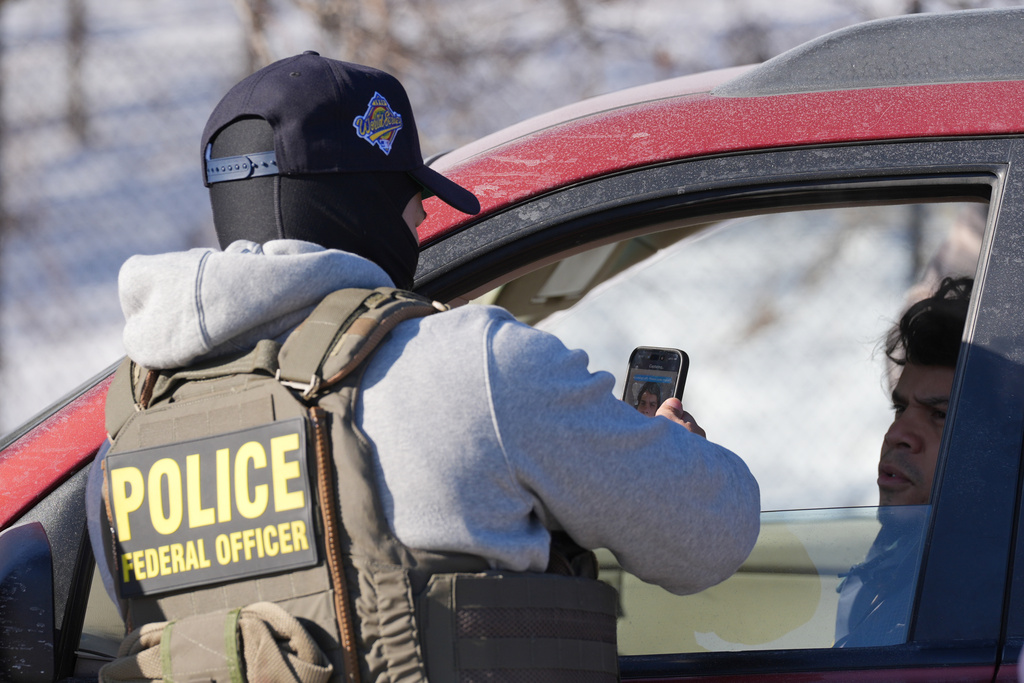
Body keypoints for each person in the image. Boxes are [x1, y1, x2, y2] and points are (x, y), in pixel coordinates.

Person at [87, 52, 759, 682]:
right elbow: (709, 536)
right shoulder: (475, 364)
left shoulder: (130, 424)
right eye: (411, 203)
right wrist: (674, 450)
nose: (417, 223)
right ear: (364, 204)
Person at [834, 275, 972, 648]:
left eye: (940, 415)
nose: (896, 434)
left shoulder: (983, 606)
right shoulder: (897, 562)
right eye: (900, 408)